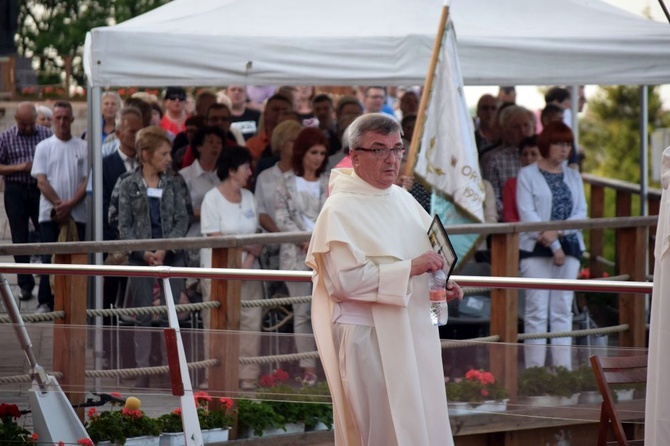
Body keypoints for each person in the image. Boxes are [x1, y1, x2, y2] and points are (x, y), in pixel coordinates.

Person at [306, 113, 463, 445]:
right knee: (380, 431)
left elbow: (429, 262)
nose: (391, 159)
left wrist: (440, 286)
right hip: (368, 336)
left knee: (421, 424)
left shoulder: (404, 200)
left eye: (397, 149)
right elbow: (344, 284)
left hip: (415, 330)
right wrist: (409, 268)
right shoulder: (339, 210)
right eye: (379, 149)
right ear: (356, 155)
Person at [109, 125, 191, 387]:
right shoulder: (127, 183)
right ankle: (143, 370)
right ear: (145, 154)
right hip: (139, 259)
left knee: (172, 315)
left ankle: (173, 371)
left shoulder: (175, 182)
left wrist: (165, 249)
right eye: (164, 154)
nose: (169, 158)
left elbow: (183, 219)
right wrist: (143, 252)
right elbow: (124, 225)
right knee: (143, 315)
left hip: (173, 257)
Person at [517, 121, 586, 370]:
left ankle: (562, 373)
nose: (564, 149)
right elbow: (528, 215)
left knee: (562, 311)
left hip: (570, 249)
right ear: (547, 144)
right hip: (536, 249)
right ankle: (535, 373)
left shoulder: (573, 175)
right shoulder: (527, 174)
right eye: (558, 143)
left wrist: (557, 234)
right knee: (536, 311)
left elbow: (581, 213)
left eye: (568, 144)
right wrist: (554, 245)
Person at [200, 146, 263, 390]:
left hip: (249, 271)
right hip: (219, 273)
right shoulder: (211, 199)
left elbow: (256, 236)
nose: (250, 172)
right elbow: (216, 239)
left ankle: (248, 375)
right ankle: (214, 373)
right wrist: (245, 256)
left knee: (250, 320)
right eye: (246, 166)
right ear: (232, 169)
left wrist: (247, 263)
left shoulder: (249, 197)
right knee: (217, 322)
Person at [274, 126, 329, 385]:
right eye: (313, 152)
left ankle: (330, 366)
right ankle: (309, 369)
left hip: (326, 256)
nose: (317, 157)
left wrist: (318, 240)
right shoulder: (284, 182)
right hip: (295, 258)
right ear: (301, 153)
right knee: (303, 313)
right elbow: (281, 218)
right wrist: (303, 240)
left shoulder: (330, 182)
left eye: (321, 152)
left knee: (329, 312)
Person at [0, 102, 52, 301]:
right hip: (16, 190)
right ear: (16, 121)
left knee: (46, 232)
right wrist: (19, 167)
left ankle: (48, 284)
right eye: (24, 125)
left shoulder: (45, 135)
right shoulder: (5, 137)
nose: (29, 128)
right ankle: (25, 284)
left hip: (40, 189)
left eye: (31, 124)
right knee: (19, 237)